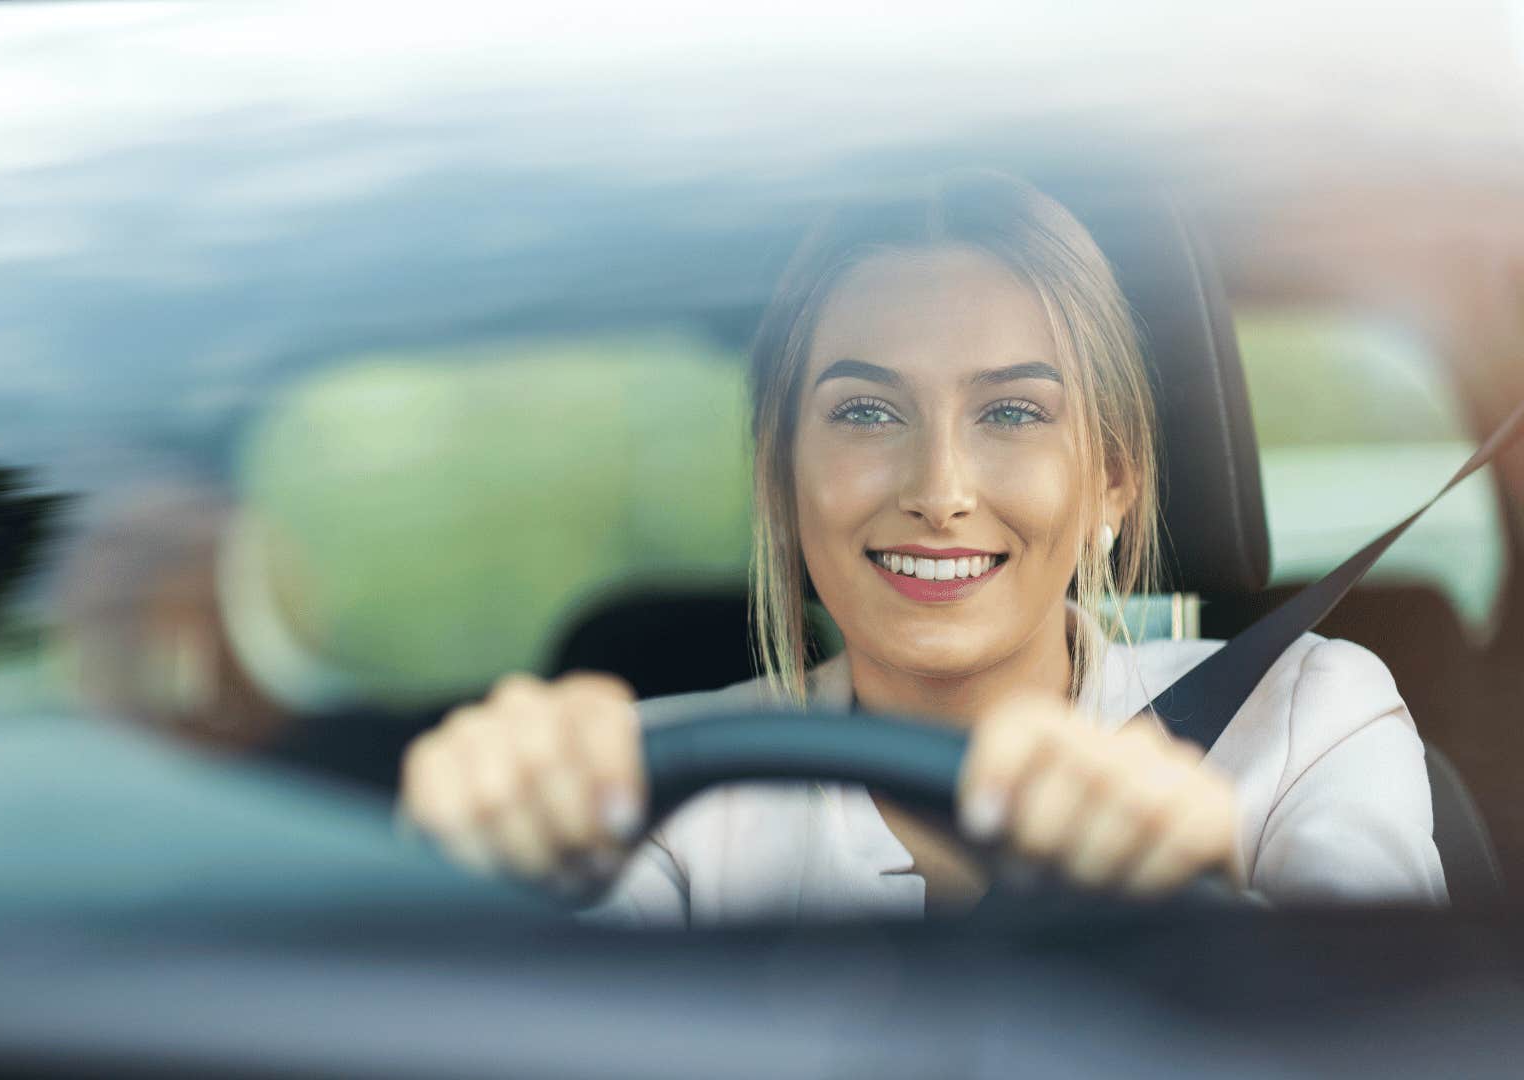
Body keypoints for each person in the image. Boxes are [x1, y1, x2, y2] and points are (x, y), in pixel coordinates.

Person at [398, 171, 1449, 926]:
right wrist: (475, 885)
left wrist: (1201, 918)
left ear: (1114, 480)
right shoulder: (651, 791)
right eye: (864, 412)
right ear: (779, 477)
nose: (939, 492)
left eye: (1013, 414)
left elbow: (1394, 1038)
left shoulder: (1308, 720)